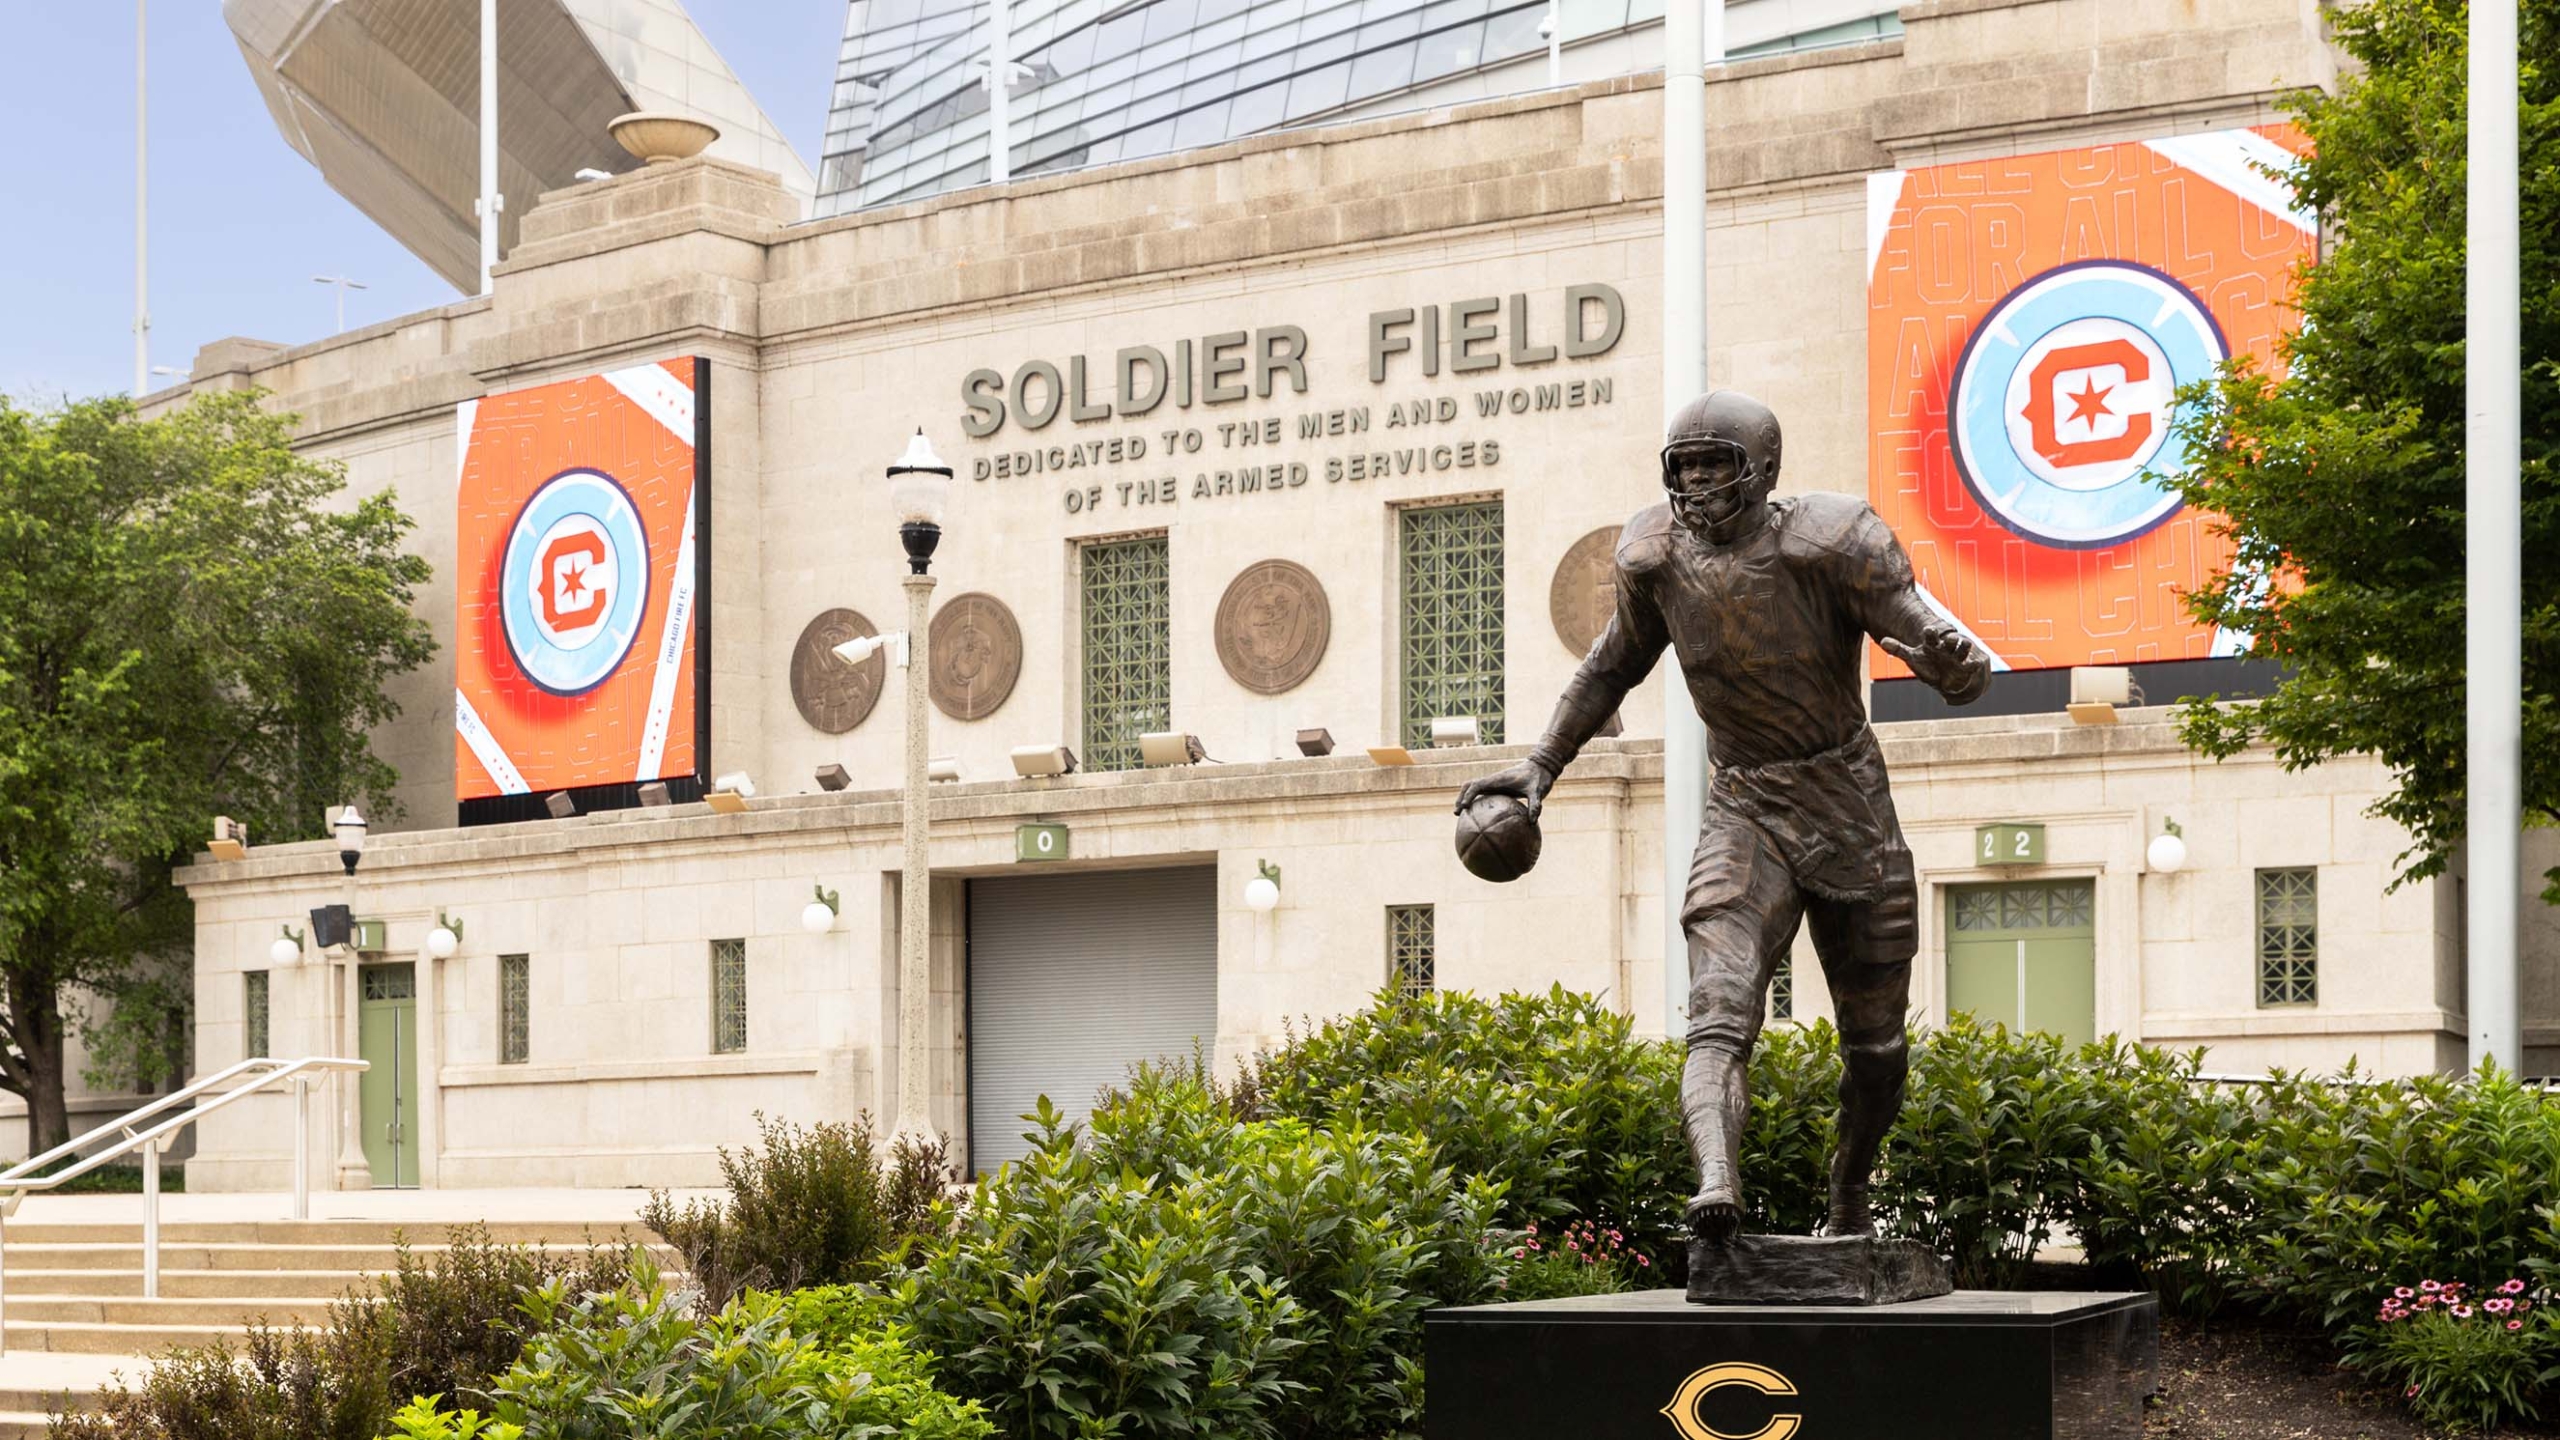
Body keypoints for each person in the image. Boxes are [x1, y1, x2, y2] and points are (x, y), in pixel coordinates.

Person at [1457, 390, 1992, 1243]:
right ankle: (1717, 1181)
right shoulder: (1655, 557)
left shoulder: (1833, 540)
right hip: (1745, 802)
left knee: (1876, 1050)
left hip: (1847, 802)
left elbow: (1927, 641)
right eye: (1688, 464)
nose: (1700, 481)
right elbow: (1609, 668)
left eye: (1717, 463)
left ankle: (1849, 1190)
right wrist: (1541, 764)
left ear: (1765, 469)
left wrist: (1952, 664)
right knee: (1719, 1010)